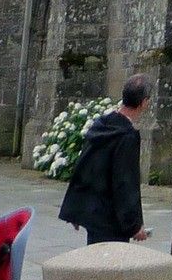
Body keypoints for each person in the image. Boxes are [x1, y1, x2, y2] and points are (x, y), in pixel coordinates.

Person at [60, 73, 150, 245]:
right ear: (144, 102)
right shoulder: (126, 136)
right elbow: (125, 182)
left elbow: (84, 166)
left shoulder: (102, 125)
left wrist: (77, 207)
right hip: (111, 219)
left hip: (94, 213)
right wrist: (134, 225)